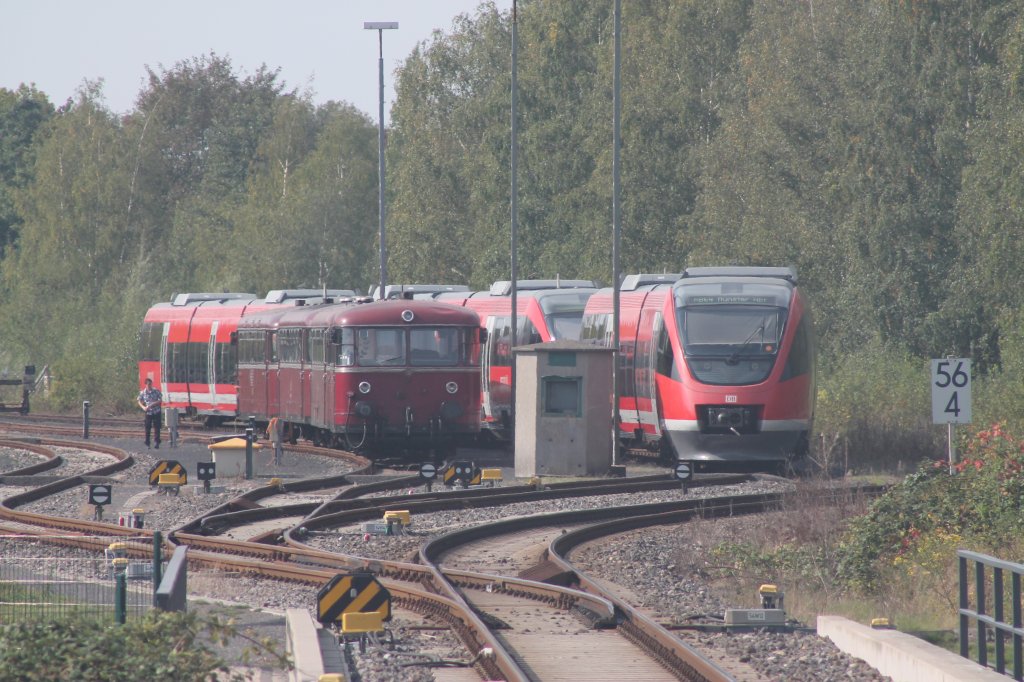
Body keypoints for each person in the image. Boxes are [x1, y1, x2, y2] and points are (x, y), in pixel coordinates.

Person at [137, 378, 162, 449]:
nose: (150, 386)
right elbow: (139, 400)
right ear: (146, 384)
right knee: (147, 428)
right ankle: (147, 443)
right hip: (148, 412)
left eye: (151, 384)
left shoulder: (156, 391)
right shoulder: (143, 393)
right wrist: (143, 407)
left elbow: (160, 400)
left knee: (157, 427)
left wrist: (153, 404)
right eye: (148, 384)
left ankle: (157, 442)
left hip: (156, 411)